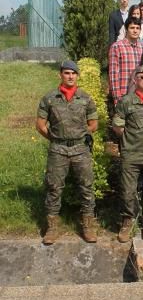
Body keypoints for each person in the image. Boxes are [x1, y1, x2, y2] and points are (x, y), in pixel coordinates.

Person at [36, 61, 98, 245]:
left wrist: (83, 134)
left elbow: (94, 124)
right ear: (60, 75)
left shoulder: (85, 98)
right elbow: (40, 125)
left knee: (86, 187)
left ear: (77, 76)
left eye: (73, 73)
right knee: (54, 188)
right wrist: (56, 139)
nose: (70, 76)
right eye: (67, 73)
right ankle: (52, 227)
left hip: (80, 150)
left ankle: (88, 226)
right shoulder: (49, 98)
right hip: (58, 150)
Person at [112, 65, 143, 244]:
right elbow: (117, 126)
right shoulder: (126, 101)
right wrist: (131, 139)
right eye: (142, 77)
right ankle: (127, 222)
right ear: (135, 80)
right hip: (131, 154)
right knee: (127, 191)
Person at [109, 16, 143, 106]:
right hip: (123, 94)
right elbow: (113, 74)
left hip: (138, 94)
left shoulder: (142, 48)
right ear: (126, 29)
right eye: (132, 28)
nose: (135, 31)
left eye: (137, 28)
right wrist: (117, 98)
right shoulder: (117, 47)